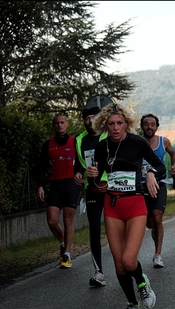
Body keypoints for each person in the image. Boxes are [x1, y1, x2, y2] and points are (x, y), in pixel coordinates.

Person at [86, 103, 166, 309]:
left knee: (130, 261)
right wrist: (91, 174)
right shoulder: (102, 148)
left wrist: (150, 172)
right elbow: (95, 182)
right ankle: (132, 304)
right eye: (111, 124)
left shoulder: (137, 143)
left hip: (135, 205)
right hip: (112, 206)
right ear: (104, 125)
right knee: (119, 264)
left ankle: (142, 283)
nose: (115, 128)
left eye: (119, 123)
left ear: (126, 124)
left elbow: (161, 167)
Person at [74, 94, 113, 287]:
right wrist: (78, 174)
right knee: (95, 230)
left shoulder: (108, 135)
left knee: (115, 229)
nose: (90, 122)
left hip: (112, 187)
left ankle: (126, 264)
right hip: (92, 189)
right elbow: (78, 165)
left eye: (93, 119)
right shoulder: (79, 140)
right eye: (86, 119)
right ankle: (99, 272)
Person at [37, 114, 81, 268]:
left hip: (71, 184)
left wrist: (80, 174)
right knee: (52, 221)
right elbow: (42, 167)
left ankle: (67, 255)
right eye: (56, 123)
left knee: (68, 219)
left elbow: (81, 162)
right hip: (55, 185)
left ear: (67, 124)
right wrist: (40, 185)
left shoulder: (75, 141)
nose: (59, 125)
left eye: (62, 122)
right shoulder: (48, 144)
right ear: (53, 125)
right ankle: (63, 242)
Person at [140, 113, 175, 268]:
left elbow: (173, 153)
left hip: (159, 183)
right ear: (142, 126)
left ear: (157, 126)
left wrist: (174, 165)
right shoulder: (136, 142)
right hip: (140, 186)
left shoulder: (164, 141)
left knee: (157, 217)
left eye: (152, 124)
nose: (149, 127)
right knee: (149, 222)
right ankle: (154, 231)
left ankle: (158, 254)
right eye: (146, 124)